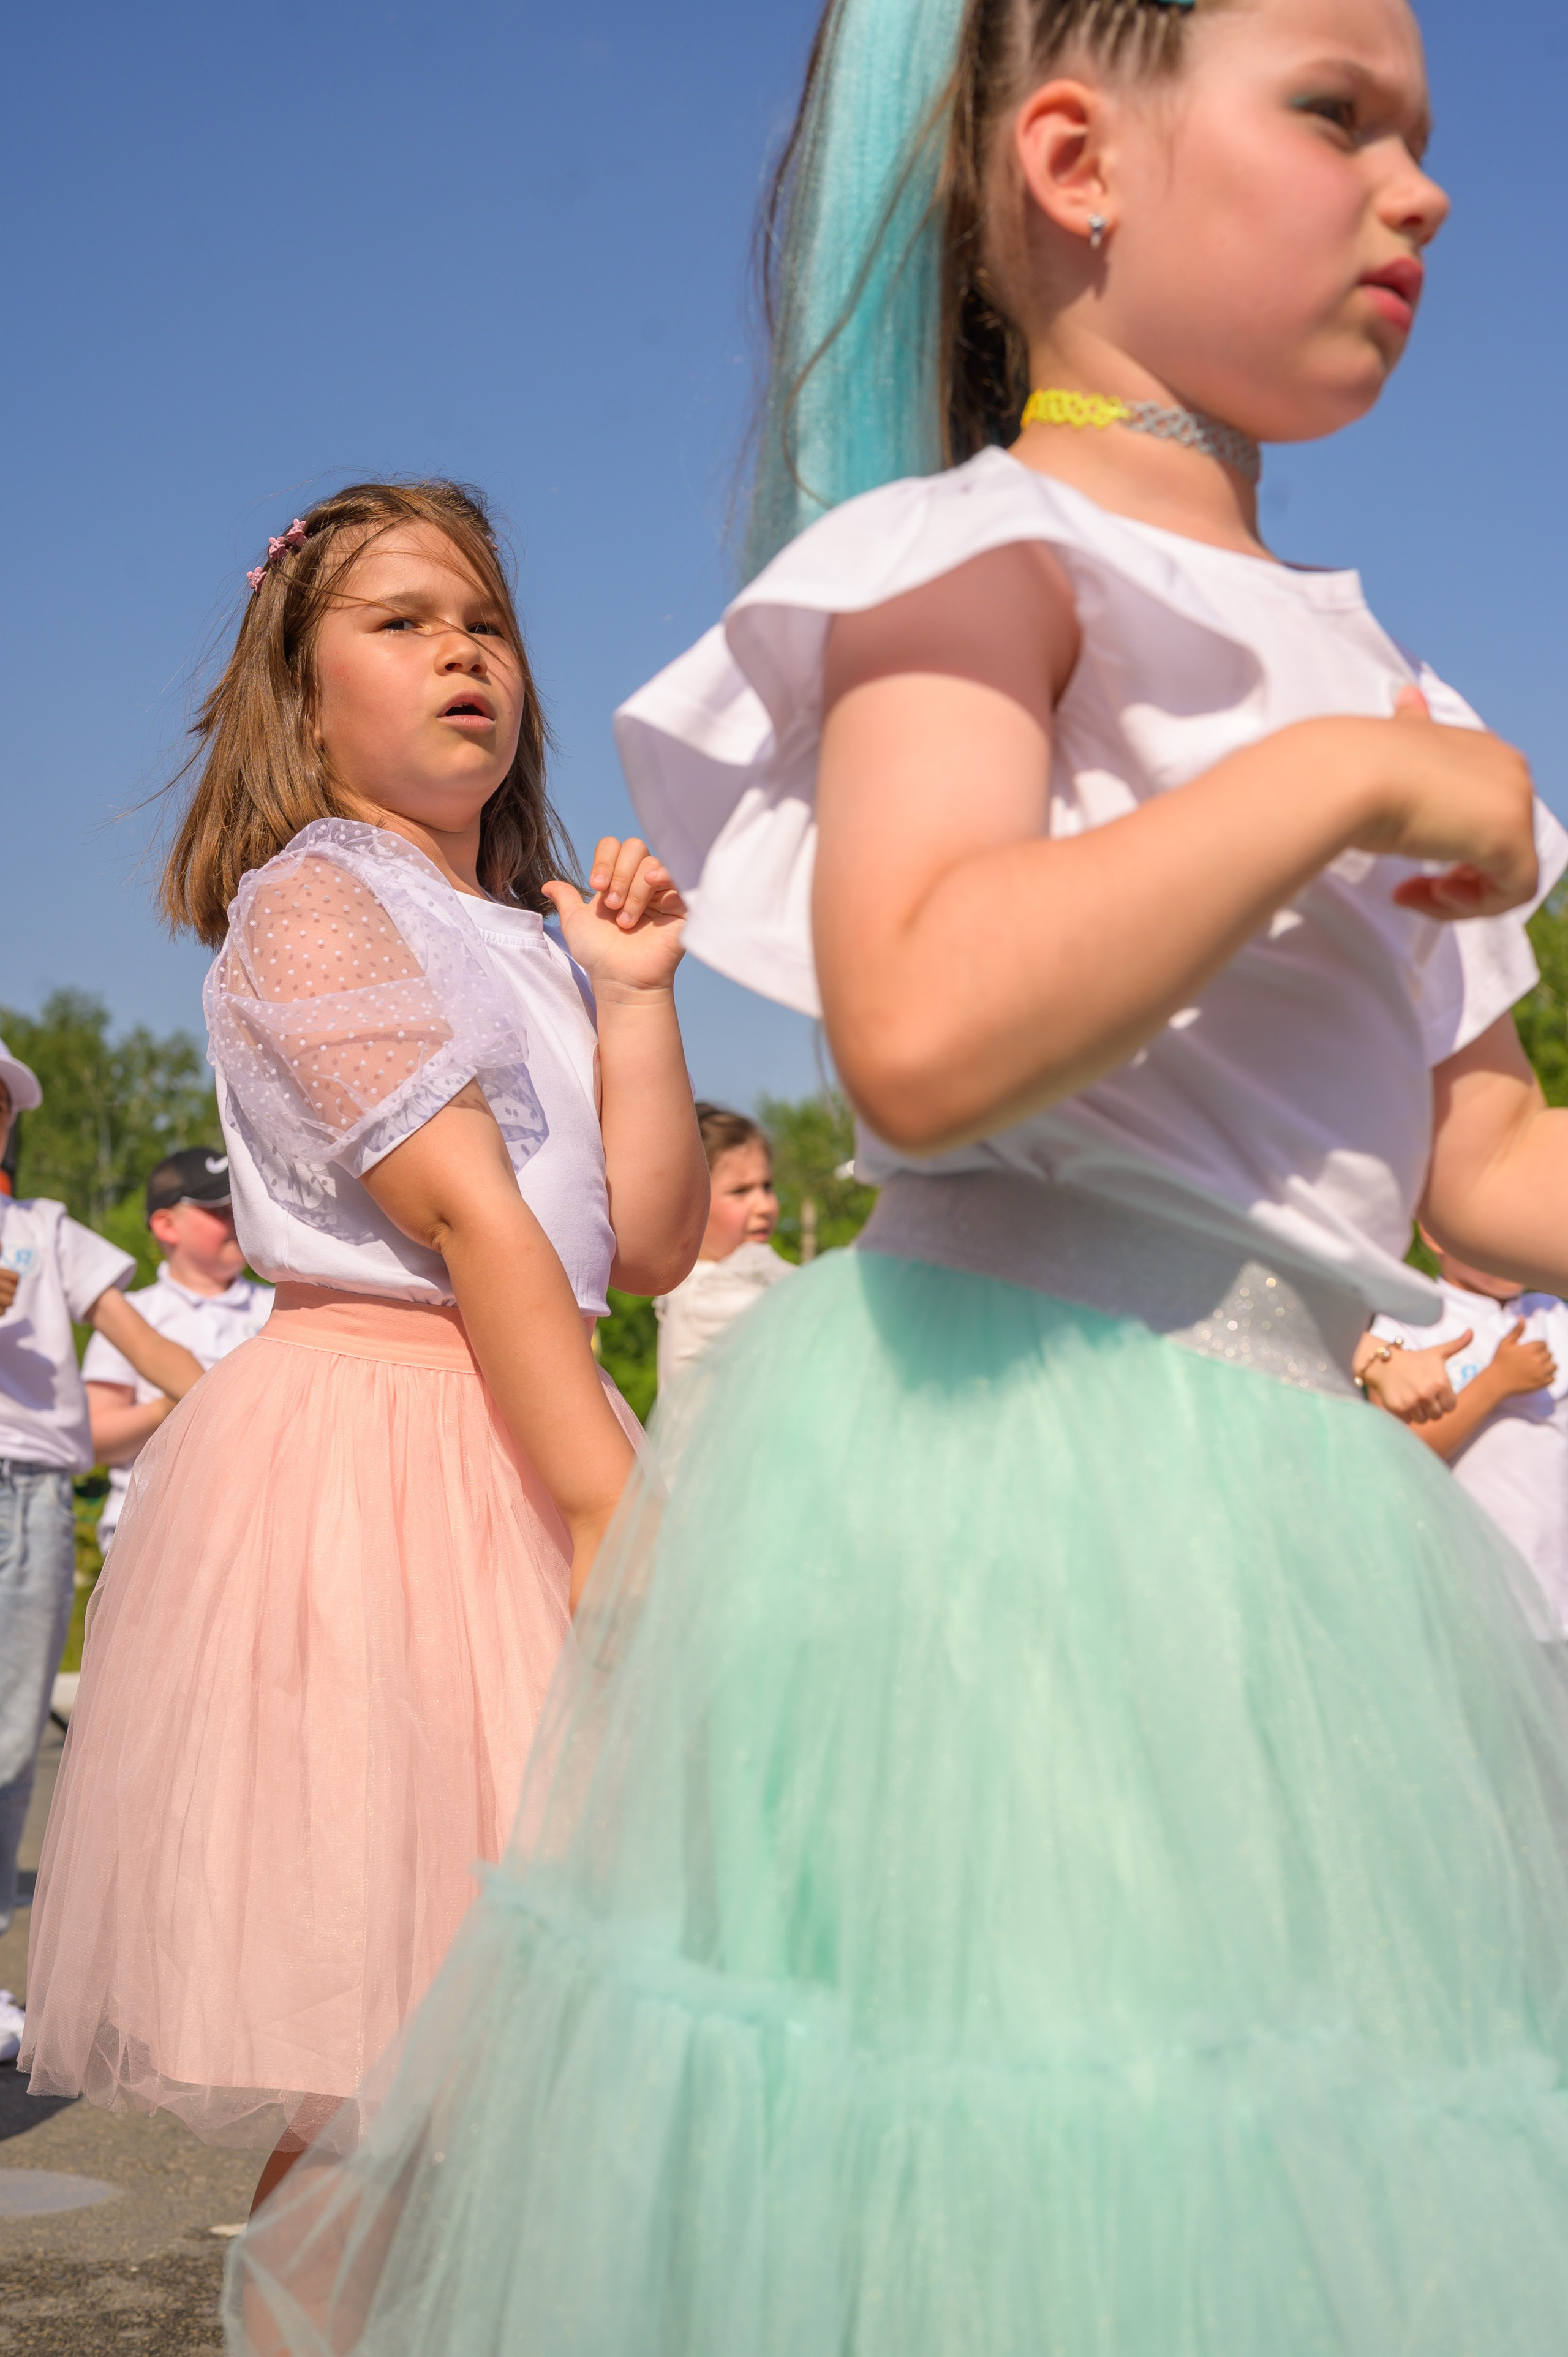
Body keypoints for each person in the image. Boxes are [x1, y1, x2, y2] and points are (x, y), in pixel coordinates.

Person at [229, 3, 1568, 2348]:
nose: (1420, 186)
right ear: (1074, 160)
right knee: (1008, 2163)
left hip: (1309, 1542)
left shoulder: (1395, 687)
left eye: (1422, 134)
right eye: (1335, 116)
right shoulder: (970, 560)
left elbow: (1477, 1165)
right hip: (1009, 1489)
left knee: (1264, 2170)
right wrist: (1331, 789)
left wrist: (1373, 766)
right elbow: (923, 1025)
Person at [20, 481, 707, 2219]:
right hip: (390, 1462)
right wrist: (611, 1507)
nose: (461, 649)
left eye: (482, 620)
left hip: (525, 1407)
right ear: (300, 689)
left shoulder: (526, 935)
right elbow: (473, 1223)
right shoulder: (315, 908)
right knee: (380, 2081)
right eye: (399, 622)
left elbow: (644, 1243)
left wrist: (632, 996)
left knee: (523, 2072)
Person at [0, 1046, 204, 1956]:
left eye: (3, 1101)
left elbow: (156, 1353)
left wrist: (247, 1405)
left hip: (35, 1503)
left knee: (10, 1742)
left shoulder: (47, 1230)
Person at [1365, 1233, 1568, 1643]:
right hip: (1474, 1595)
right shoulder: (1411, 1319)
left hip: (1556, 1581)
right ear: (1436, 1234)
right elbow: (1397, 1447)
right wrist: (1496, 1383)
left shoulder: (1553, 1312)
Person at [82, 1148, 274, 1557]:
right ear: (167, 1225)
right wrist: (174, 1404)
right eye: (218, 1209)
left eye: (240, 1203)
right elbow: (94, 1439)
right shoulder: (131, 1314)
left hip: (265, 1522)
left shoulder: (283, 1307)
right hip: (149, 1529)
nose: (235, 1219)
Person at [654, 1104, 790, 1391]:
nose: (765, 1206)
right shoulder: (705, 1297)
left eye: (767, 1186)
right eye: (740, 1191)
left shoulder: (735, 1282)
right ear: (689, 1200)